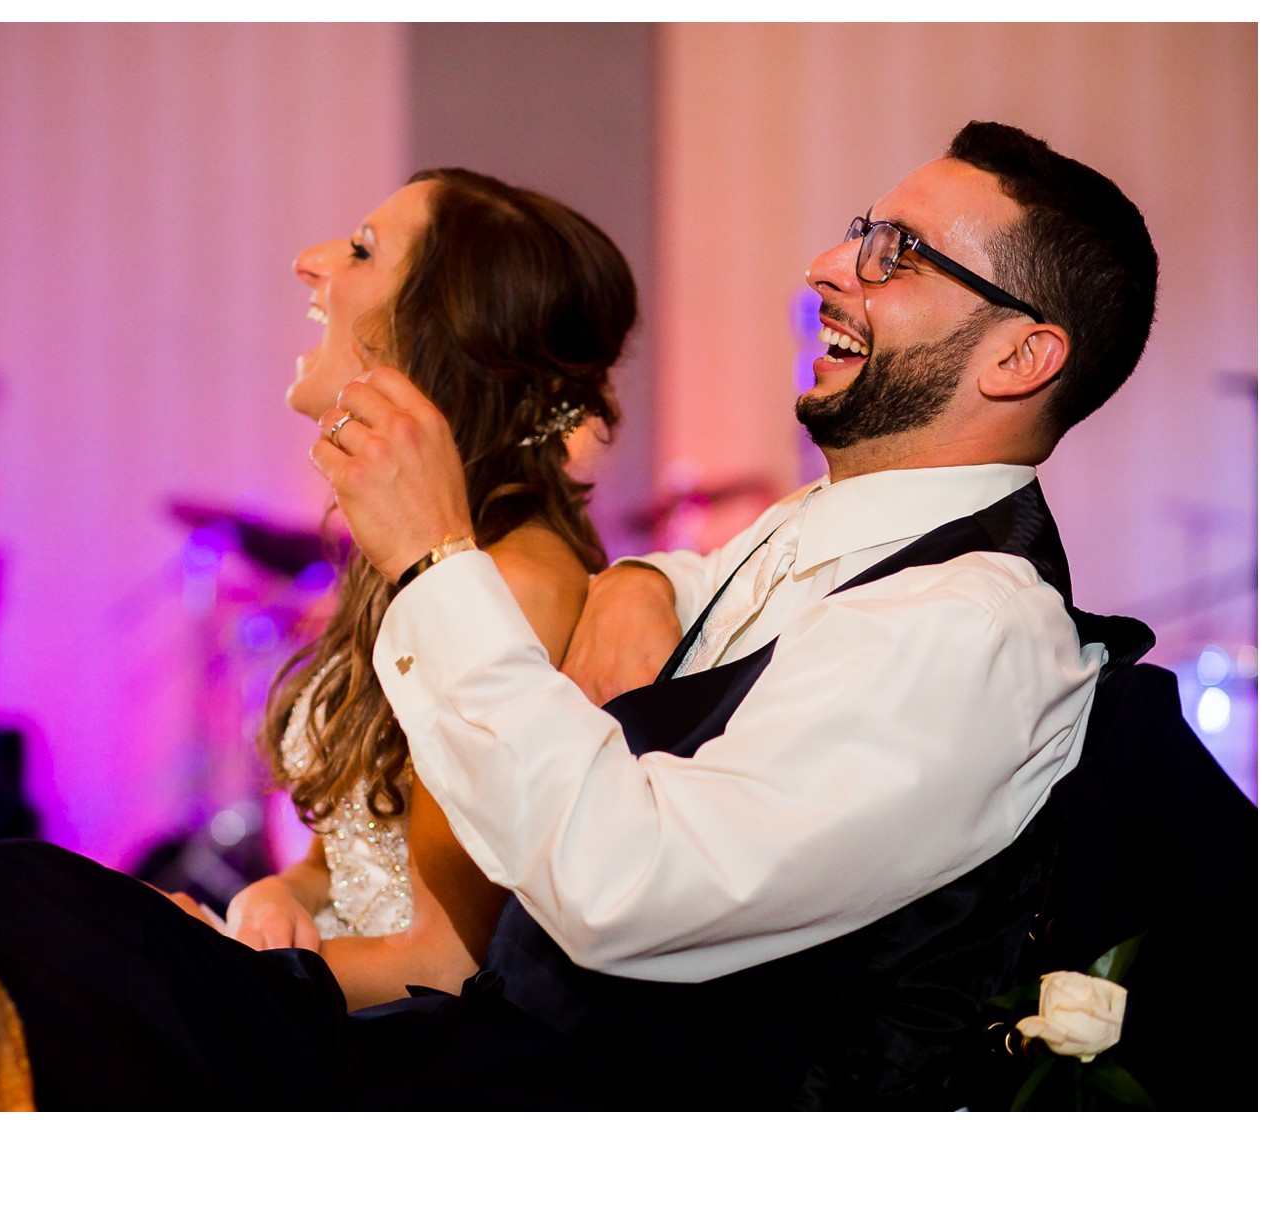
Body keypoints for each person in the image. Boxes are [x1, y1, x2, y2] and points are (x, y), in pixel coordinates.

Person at [311, 121, 1162, 1108]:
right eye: (859, 233)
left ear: (1018, 356)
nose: (826, 268)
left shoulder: (968, 629)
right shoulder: (837, 528)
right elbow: (732, 599)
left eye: (898, 253)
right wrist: (641, 578)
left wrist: (431, 560)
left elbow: (620, 885)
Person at [0, 168, 640, 1106]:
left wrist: (211, 962)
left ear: (447, 330)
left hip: (400, 1052)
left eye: (363, 251)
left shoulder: (509, 586)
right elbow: (349, 859)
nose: (311, 262)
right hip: (325, 1001)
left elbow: (451, 960)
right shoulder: (413, 555)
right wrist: (281, 898)